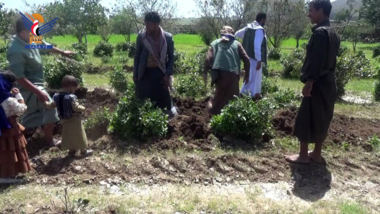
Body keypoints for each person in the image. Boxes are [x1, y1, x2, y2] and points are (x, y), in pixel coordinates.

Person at [286, 0, 340, 164]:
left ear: (321, 11)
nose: (308, 13)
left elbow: (317, 61)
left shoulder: (320, 33)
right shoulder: (334, 33)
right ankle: (316, 153)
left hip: (317, 83)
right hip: (329, 82)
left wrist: (310, 82)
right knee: (323, 117)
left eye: (311, 10)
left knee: (306, 116)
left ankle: (303, 156)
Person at [7, 18, 75, 147]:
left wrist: (62, 52)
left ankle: (22, 133)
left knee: (33, 113)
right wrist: (38, 92)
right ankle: (49, 140)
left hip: (37, 84)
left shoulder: (30, 39)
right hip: (26, 88)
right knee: (49, 106)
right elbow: (19, 77)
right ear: (23, 33)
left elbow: (44, 46)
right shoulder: (15, 50)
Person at [134, 12, 177, 118]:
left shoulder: (167, 38)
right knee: (142, 100)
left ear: (156, 24)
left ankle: (163, 118)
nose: (146, 28)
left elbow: (171, 57)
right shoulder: (142, 37)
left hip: (160, 72)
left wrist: (168, 74)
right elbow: (137, 56)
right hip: (144, 72)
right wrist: (135, 74)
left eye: (149, 25)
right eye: (145, 25)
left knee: (164, 104)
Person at [204, 26, 250, 115]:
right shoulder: (237, 44)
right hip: (233, 75)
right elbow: (247, 59)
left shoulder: (214, 43)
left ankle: (211, 116)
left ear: (222, 34)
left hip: (219, 75)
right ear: (232, 34)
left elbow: (208, 59)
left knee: (218, 100)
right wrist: (247, 75)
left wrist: (205, 73)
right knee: (233, 101)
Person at [45, 76, 92, 156]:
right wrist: (83, 108)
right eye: (74, 88)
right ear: (71, 87)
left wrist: (46, 104)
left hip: (64, 121)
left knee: (68, 136)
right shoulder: (72, 97)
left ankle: (71, 151)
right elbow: (76, 107)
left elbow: (52, 105)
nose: (74, 91)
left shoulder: (57, 96)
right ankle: (83, 151)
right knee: (79, 135)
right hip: (75, 120)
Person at [0, 71, 31, 184]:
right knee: (10, 151)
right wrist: (18, 96)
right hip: (9, 128)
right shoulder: (9, 100)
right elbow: (22, 108)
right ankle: (7, 175)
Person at [235, 13, 268, 100]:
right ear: (263, 20)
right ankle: (252, 94)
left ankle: (245, 94)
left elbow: (237, 34)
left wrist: (246, 39)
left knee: (249, 75)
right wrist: (259, 60)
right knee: (255, 77)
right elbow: (257, 46)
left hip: (247, 56)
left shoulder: (248, 27)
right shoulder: (259, 30)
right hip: (255, 58)